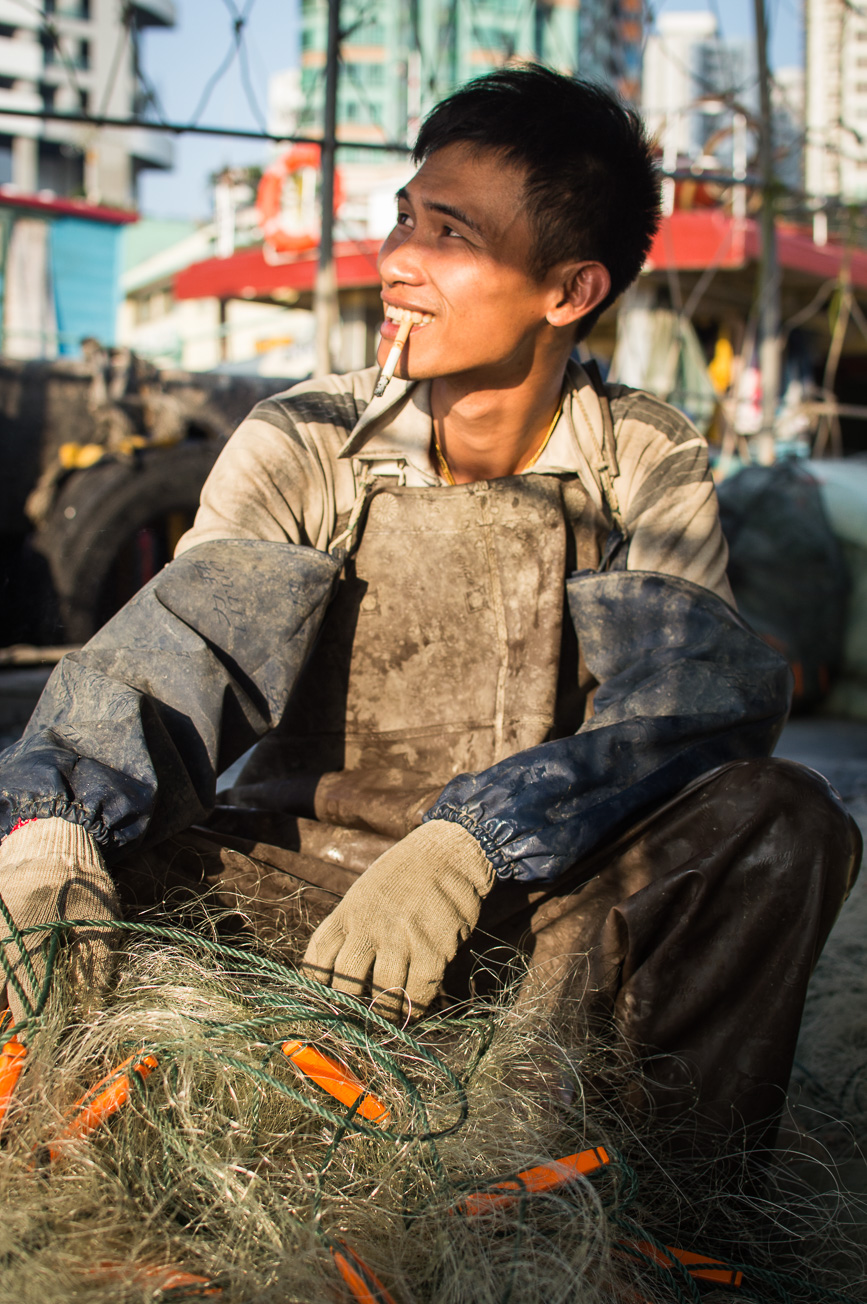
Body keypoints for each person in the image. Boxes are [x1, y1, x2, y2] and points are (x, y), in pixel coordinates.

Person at [0, 67, 859, 1154]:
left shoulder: (643, 458)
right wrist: (54, 821)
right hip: (302, 885)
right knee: (80, 867)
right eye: (404, 215)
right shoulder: (305, 436)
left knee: (782, 819)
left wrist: (471, 843)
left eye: (450, 233)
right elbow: (184, 648)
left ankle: (638, 1218)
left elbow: (682, 706)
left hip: (535, 901)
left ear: (568, 290)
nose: (396, 261)